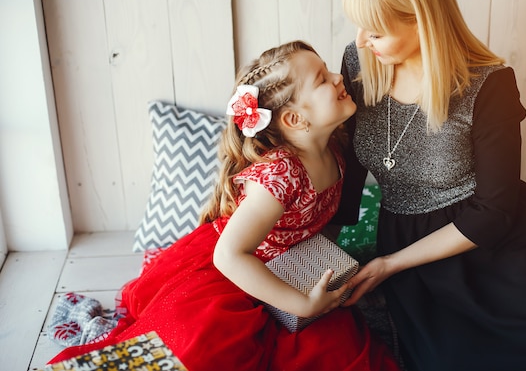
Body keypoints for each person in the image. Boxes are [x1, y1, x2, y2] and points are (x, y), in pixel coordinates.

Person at [47, 40, 401, 371]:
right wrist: (303, 304)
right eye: (323, 78)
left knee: (340, 353)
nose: (339, 77)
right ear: (295, 120)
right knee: (201, 345)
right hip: (231, 272)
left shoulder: (336, 150)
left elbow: (320, 222)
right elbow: (229, 256)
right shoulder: (282, 174)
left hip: (289, 267)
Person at [334, 0, 526, 370]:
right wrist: (321, 246)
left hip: (492, 247)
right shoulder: (358, 66)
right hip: (413, 250)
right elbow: (349, 174)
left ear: (421, 19)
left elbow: (495, 211)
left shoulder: (490, 83)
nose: (359, 41)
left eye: (375, 31)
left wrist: (390, 263)